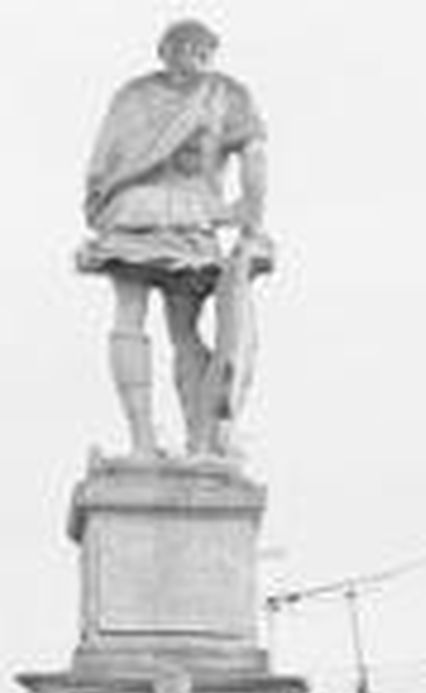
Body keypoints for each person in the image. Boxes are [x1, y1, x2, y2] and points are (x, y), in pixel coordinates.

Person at [79, 20, 272, 459]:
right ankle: (198, 441)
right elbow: (255, 160)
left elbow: (102, 164)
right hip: (190, 216)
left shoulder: (133, 95)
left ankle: (145, 444)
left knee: (129, 316)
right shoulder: (226, 93)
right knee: (183, 331)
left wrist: (98, 206)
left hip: (133, 211)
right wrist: (250, 222)